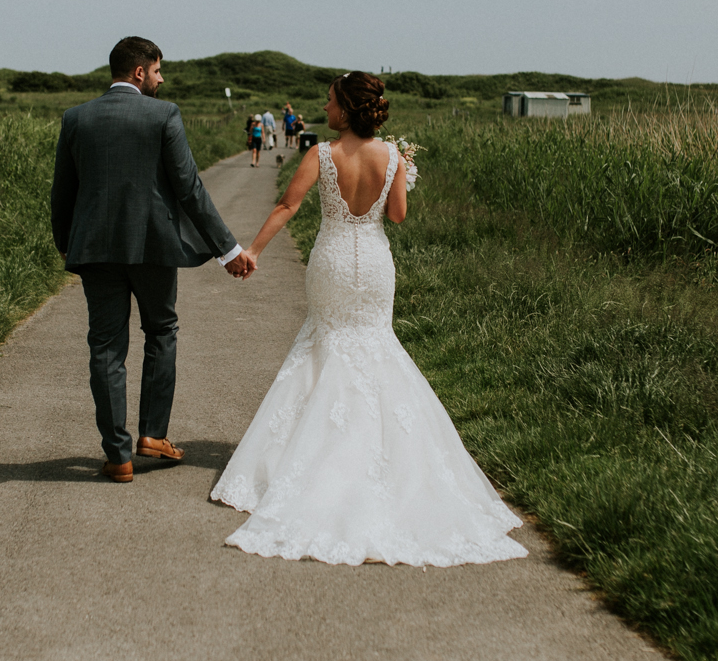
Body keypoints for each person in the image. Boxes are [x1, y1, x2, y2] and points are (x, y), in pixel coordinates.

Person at [211, 72, 527, 567]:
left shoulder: (321, 155)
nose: (326, 106)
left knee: (326, 344)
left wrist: (253, 249)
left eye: (330, 101)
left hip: (333, 261)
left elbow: (288, 204)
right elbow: (397, 216)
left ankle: (314, 456)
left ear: (345, 109)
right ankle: (387, 462)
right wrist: (402, 177)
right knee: (376, 347)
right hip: (375, 265)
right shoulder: (394, 156)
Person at [51, 37, 254, 484]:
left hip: (95, 250)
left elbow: (62, 191)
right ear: (140, 72)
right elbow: (189, 188)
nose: (162, 79)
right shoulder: (163, 114)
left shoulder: (76, 118)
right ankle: (153, 435)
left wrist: (67, 242)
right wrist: (228, 250)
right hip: (152, 248)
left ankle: (118, 456)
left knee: (106, 346)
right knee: (161, 330)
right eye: (159, 71)